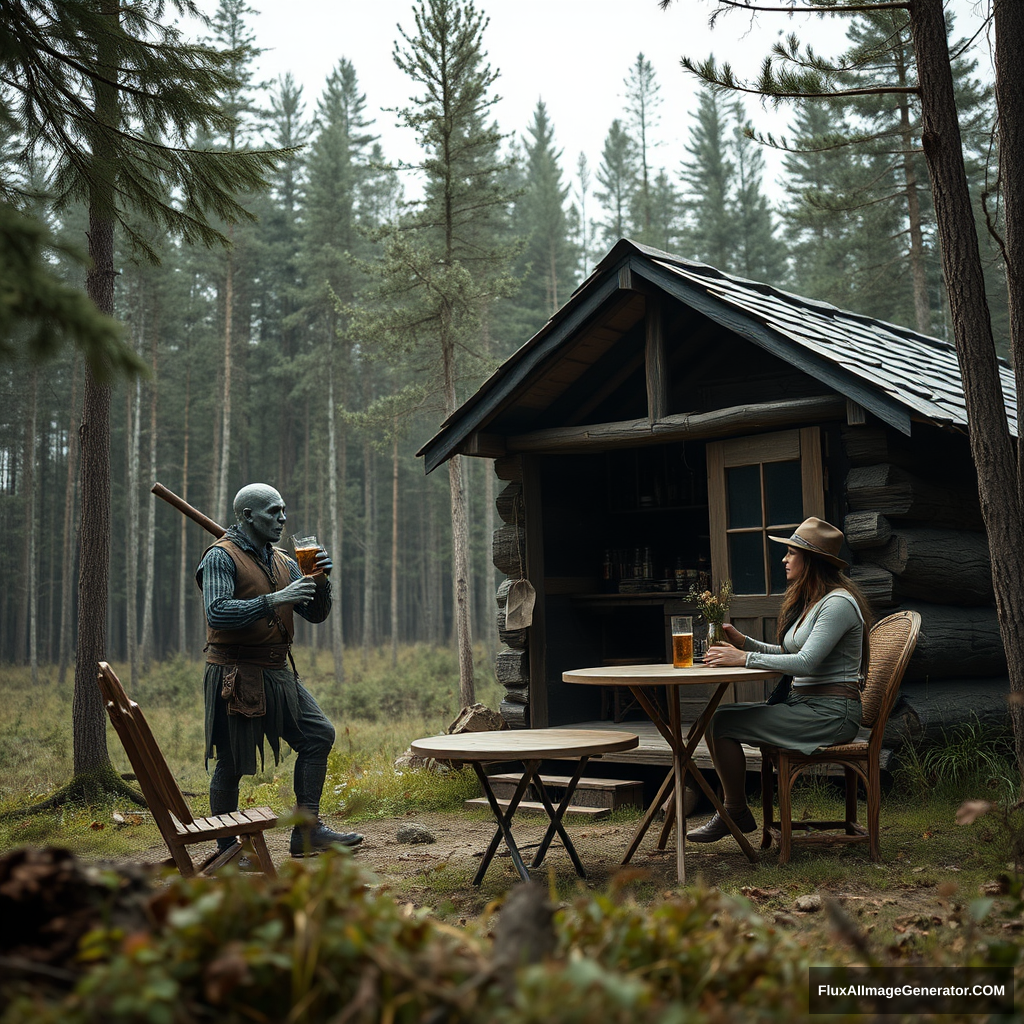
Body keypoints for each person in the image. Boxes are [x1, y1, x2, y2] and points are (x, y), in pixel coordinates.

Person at [197, 482, 363, 857]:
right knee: (233, 759)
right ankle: (227, 849)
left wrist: (321, 581)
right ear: (247, 516)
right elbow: (217, 611)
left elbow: (316, 615)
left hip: (277, 670)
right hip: (235, 673)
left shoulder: (285, 560)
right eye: (274, 511)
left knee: (318, 734)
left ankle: (306, 833)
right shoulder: (220, 557)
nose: (283, 518)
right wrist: (275, 599)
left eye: (283, 510)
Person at [687, 517, 872, 844]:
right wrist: (745, 643)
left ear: (810, 560)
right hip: (806, 706)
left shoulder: (838, 604)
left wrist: (743, 659)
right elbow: (790, 651)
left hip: (831, 715)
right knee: (717, 721)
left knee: (720, 723)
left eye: (790, 553)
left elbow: (805, 662)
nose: (784, 560)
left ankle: (734, 810)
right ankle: (736, 810)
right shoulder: (814, 602)